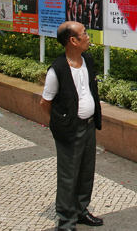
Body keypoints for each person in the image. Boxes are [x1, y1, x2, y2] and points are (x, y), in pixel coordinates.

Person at [40, 22, 103, 230]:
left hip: (89, 125)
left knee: (86, 171)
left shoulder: (88, 60)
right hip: (70, 129)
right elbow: (45, 103)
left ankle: (81, 211)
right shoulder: (57, 69)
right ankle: (66, 219)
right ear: (73, 41)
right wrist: (61, 125)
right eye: (84, 34)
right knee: (69, 175)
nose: (88, 36)